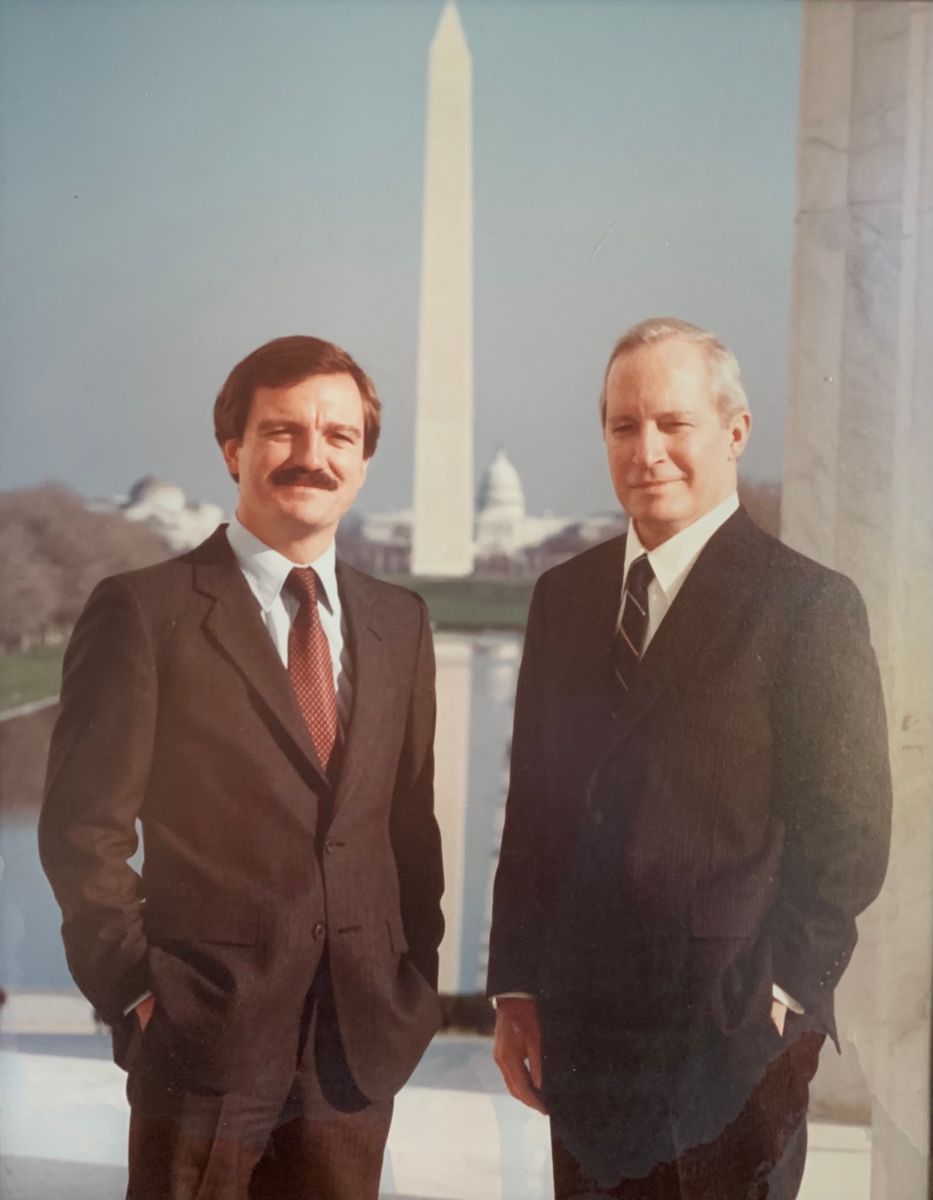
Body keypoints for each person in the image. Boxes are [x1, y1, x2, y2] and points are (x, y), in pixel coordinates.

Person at [487, 317, 892, 1199]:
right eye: (623, 427)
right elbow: (536, 812)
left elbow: (851, 836)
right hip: (587, 1034)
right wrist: (515, 987)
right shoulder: (564, 598)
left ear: (734, 433)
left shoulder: (805, 606)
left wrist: (781, 998)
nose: (648, 451)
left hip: (734, 1038)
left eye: (674, 424)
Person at [39, 335, 444, 1200]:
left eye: (339, 437)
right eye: (283, 432)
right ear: (234, 449)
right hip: (201, 1046)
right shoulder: (145, 612)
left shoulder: (400, 623)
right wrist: (142, 997)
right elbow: (83, 833)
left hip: (355, 1048)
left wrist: (414, 985)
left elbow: (410, 828)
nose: (312, 456)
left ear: (365, 462)